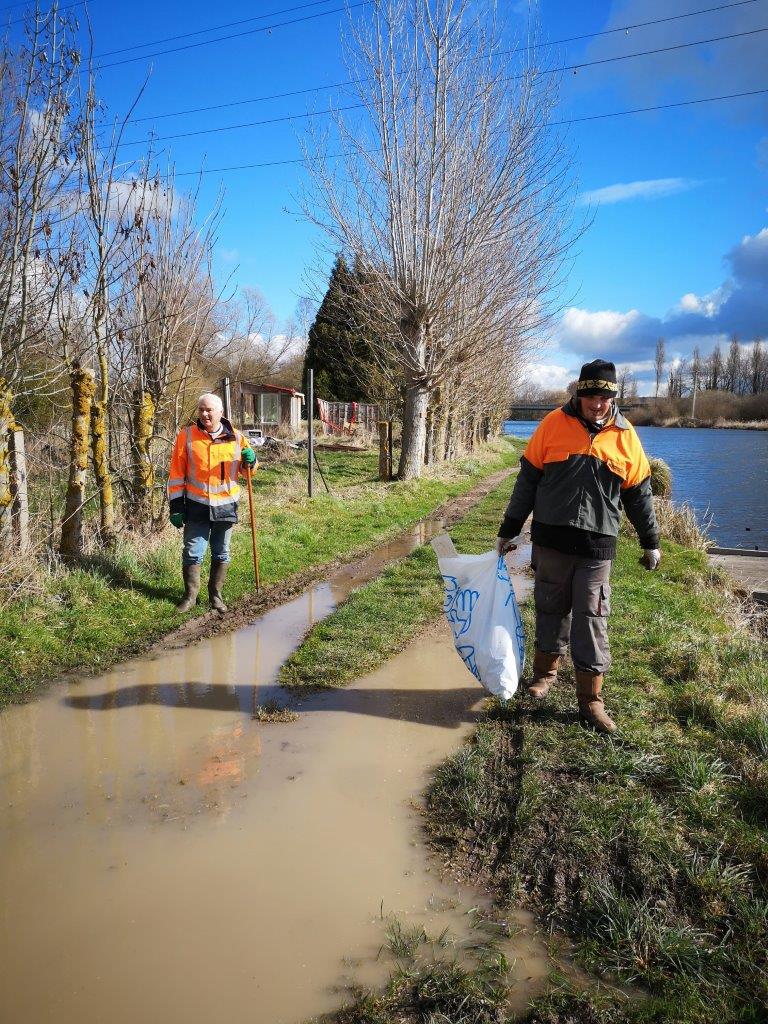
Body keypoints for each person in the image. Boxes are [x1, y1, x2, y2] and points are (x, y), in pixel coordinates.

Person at [496, 359, 661, 733]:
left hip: (596, 546)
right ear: (579, 394)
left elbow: (640, 496)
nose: (597, 403)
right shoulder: (552, 424)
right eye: (590, 395)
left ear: (612, 398)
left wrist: (651, 541)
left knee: (592, 617)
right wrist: (509, 528)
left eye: (604, 396)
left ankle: (591, 700)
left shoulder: (625, 435)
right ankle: (545, 676)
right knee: (550, 607)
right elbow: (527, 482)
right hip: (551, 540)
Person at [167, 393, 257, 613]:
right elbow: (176, 475)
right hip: (197, 506)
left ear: (220, 413)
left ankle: (216, 596)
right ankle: (190, 597)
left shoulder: (236, 438)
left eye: (209, 410)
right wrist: (176, 507)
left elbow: (248, 473)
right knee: (192, 551)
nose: (204, 414)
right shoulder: (186, 436)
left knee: (221, 551)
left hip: (226, 507)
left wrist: (252, 461)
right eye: (201, 410)